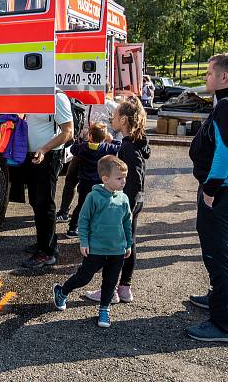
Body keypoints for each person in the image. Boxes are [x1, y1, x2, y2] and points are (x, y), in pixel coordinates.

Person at [187, 53, 228, 343]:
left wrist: (211, 190)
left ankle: (222, 326)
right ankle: (215, 298)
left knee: (220, 256)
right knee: (218, 252)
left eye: (209, 73)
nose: (205, 78)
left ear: (224, 77)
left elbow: (226, 154)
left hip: (223, 192)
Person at [52, 155, 132, 328]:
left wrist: (128, 243)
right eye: (119, 178)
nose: (123, 181)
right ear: (105, 179)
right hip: (95, 248)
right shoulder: (93, 197)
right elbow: (84, 220)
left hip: (117, 250)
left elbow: (127, 222)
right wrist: (84, 242)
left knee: (110, 281)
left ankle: (104, 310)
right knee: (84, 277)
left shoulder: (123, 198)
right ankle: (62, 291)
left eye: (124, 177)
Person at [85, 96, 150, 304]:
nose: (111, 119)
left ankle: (110, 291)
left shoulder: (128, 148)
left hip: (126, 204)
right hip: (133, 202)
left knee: (113, 247)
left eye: (113, 116)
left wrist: (122, 205)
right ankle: (124, 288)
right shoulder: (134, 143)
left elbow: (134, 180)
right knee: (129, 242)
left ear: (123, 120)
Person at [19, 91, 74, 268]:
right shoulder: (35, 93)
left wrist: (44, 149)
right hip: (34, 156)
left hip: (49, 157)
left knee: (45, 204)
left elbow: (68, 132)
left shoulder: (57, 97)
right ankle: (45, 243)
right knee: (36, 201)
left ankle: (47, 253)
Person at [66, 122, 121, 237]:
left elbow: (73, 148)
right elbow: (119, 147)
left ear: (90, 136)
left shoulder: (83, 147)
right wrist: (110, 140)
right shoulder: (107, 148)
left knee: (81, 205)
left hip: (85, 183)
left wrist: (80, 140)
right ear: (104, 137)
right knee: (100, 207)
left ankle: (73, 228)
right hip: (100, 184)